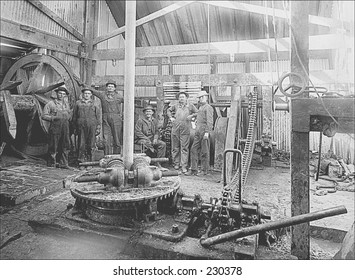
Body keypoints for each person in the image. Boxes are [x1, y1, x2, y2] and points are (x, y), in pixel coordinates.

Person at [85, 79, 123, 155]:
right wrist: (82, 84)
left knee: (117, 139)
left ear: (115, 88)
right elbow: (92, 91)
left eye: (112, 86)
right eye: (109, 86)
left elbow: (129, 102)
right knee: (106, 139)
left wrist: (125, 114)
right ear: (106, 87)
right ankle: (107, 156)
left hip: (116, 118)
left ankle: (116, 157)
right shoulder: (102, 95)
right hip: (105, 117)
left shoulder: (119, 96)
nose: (110, 88)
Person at [167, 92, 198, 174]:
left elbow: (197, 113)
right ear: (178, 99)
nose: (181, 98)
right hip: (175, 128)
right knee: (175, 148)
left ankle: (184, 166)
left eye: (183, 97)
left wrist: (192, 116)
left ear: (186, 98)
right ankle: (176, 164)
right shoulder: (175, 106)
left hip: (185, 129)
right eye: (180, 97)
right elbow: (168, 110)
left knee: (184, 148)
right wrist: (171, 118)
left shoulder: (190, 106)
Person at [42, 86, 72, 169]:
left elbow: (69, 115)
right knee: (53, 145)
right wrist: (53, 118)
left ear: (65, 95)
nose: (61, 95)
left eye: (63, 94)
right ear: (56, 94)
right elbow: (43, 116)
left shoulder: (66, 105)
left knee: (66, 145)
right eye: (59, 93)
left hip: (65, 128)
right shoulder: (51, 104)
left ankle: (64, 163)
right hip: (55, 128)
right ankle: (52, 163)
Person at [186, 91, 214, 176]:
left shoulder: (208, 107)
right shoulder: (201, 107)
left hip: (204, 130)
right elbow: (199, 115)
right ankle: (193, 169)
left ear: (206, 97)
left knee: (204, 151)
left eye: (202, 97)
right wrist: (193, 116)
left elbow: (210, 121)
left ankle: (204, 170)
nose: (200, 99)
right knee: (193, 149)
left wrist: (207, 132)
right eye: (199, 98)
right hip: (197, 131)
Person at [73, 87, 101, 163]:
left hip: (92, 125)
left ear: (91, 95)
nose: (87, 95)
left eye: (88, 93)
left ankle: (90, 161)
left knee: (91, 144)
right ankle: (81, 161)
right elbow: (74, 115)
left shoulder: (95, 103)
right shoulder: (78, 103)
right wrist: (74, 127)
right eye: (85, 93)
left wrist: (98, 127)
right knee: (81, 143)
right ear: (83, 94)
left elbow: (98, 116)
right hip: (81, 125)